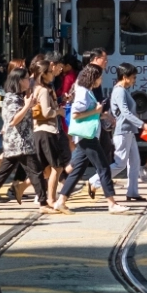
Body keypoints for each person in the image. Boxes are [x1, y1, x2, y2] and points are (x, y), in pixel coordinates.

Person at [53, 64, 128, 214]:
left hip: (86, 136)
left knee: (78, 170)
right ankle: (112, 203)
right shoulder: (83, 92)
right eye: (100, 77)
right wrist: (96, 110)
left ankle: (60, 201)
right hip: (87, 136)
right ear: (93, 78)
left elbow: (87, 112)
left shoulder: (85, 91)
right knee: (104, 167)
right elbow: (75, 114)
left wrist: (101, 114)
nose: (101, 80)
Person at [0, 67, 54, 215]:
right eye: (26, 78)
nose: (29, 81)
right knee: (36, 172)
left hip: (17, 143)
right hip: (20, 143)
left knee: (3, 173)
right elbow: (13, 120)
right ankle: (43, 203)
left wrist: (29, 105)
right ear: (19, 81)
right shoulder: (12, 98)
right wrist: (27, 106)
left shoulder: (18, 97)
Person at [91, 63, 146, 200]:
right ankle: (95, 180)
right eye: (133, 77)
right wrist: (142, 125)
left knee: (135, 162)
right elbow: (125, 112)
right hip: (123, 131)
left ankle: (132, 192)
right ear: (125, 77)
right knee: (120, 163)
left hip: (129, 131)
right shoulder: (119, 91)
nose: (135, 80)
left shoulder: (123, 90)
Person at [30, 60, 65, 203]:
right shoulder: (44, 91)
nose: (52, 74)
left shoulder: (36, 88)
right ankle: (50, 199)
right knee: (57, 167)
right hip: (47, 131)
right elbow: (46, 112)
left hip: (38, 130)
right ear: (44, 74)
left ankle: (44, 197)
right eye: (50, 72)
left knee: (46, 169)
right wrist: (59, 112)